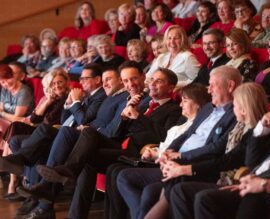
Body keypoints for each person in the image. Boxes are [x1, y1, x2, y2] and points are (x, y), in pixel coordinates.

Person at [34, 63, 182, 219]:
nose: (152, 84)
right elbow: (119, 131)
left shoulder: (174, 109)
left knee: (87, 147)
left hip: (136, 152)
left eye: (158, 81)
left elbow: (164, 136)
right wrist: (124, 118)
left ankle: (64, 178)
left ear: (171, 87)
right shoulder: (143, 102)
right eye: (152, 80)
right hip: (120, 144)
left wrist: (138, 117)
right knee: (85, 142)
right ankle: (71, 206)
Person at [116, 66, 239, 219]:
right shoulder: (208, 108)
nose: (209, 90)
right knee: (124, 176)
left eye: (214, 85)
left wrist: (180, 156)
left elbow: (216, 148)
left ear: (230, 86)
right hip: (176, 160)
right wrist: (170, 150)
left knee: (155, 190)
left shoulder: (235, 113)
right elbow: (186, 133)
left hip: (197, 165)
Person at [5, 67, 129, 219]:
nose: (105, 84)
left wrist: (85, 122)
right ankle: (32, 173)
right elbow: (66, 120)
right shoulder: (105, 96)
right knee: (43, 133)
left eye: (108, 79)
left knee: (58, 138)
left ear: (120, 81)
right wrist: (70, 103)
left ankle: (44, 194)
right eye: (104, 80)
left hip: (98, 140)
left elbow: (106, 128)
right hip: (84, 136)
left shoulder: (116, 97)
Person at [147, 82, 268, 219]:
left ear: (244, 110)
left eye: (234, 106)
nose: (232, 111)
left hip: (233, 176)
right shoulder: (239, 127)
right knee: (173, 181)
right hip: (220, 167)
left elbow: (232, 160)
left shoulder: (257, 132)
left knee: (179, 185)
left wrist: (186, 168)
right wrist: (181, 164)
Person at [170, 95, 270, 219]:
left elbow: (226, 157)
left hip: (262, 190)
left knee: (200, 194)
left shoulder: (267, 130)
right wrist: (261, 130)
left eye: (234, 106)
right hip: (248, 181)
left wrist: (263, 184)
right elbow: (251, 163)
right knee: (180, 186)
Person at [0, 68, 70, 200]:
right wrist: (47, 102)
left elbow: (49, 121)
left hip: (55, 132)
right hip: (42, 130)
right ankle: (21, 178)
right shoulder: (51, 99)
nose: (57, 86)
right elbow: (33, 119)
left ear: (66, 82)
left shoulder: (67, 97)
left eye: (60, 82)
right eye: (53, 84)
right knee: (16, 132)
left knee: (37, 132)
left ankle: (19, 176)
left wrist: (50, 102)